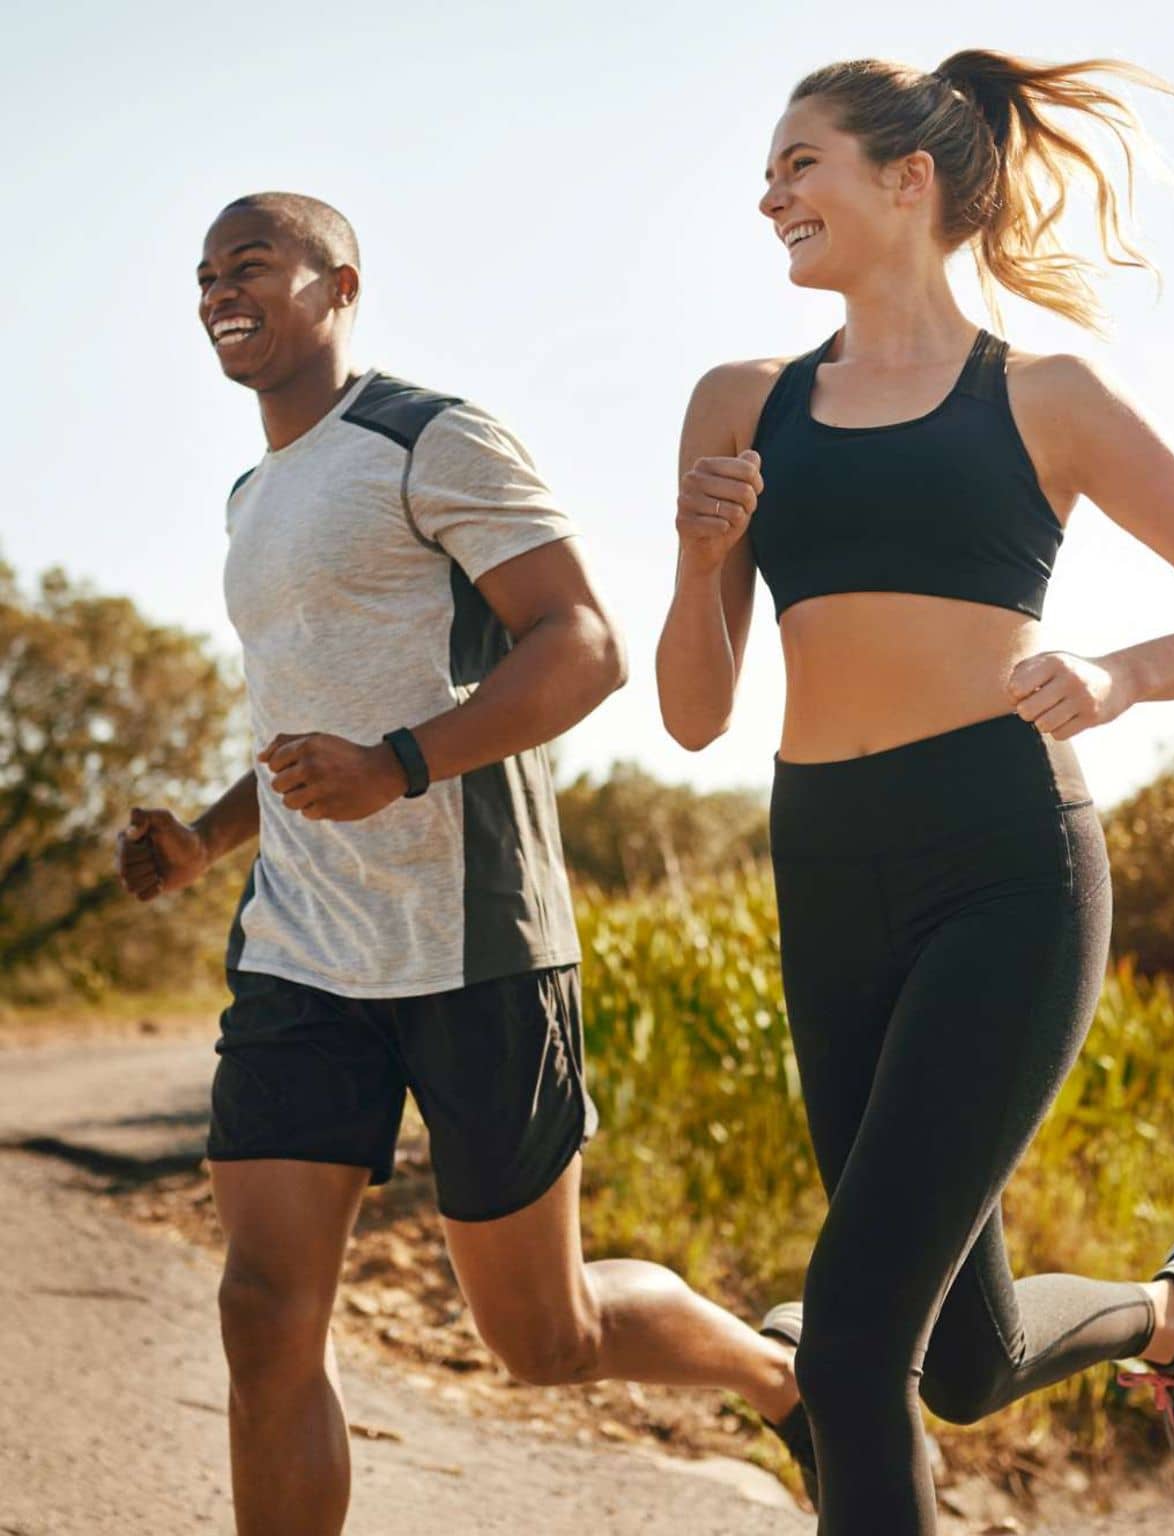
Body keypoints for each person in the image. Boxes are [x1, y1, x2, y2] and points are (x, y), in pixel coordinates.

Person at [657, 50, 1174, 1531]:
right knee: (960, 1362)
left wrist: (1124, 676)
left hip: (1003, 863)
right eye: (770, 170)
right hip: (827, 866)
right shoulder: (738, 401)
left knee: (845, 1347)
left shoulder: (1044, 398)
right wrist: (704, 557)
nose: (770, 193)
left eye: (801, 163)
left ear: (908, 182)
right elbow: (696, 713)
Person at [117, 192, 807, 1536]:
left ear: (339, 282)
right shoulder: (252, 495)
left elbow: (583, 646)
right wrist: (206, 839)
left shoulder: (430, 438)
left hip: (475, 941)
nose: (218, 292)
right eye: (203, 276)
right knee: (263, 1316)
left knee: (540, 1339)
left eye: (249, 265)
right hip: (303, 947)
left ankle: (784, 1381)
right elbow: (294, 724)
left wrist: (403, 764)